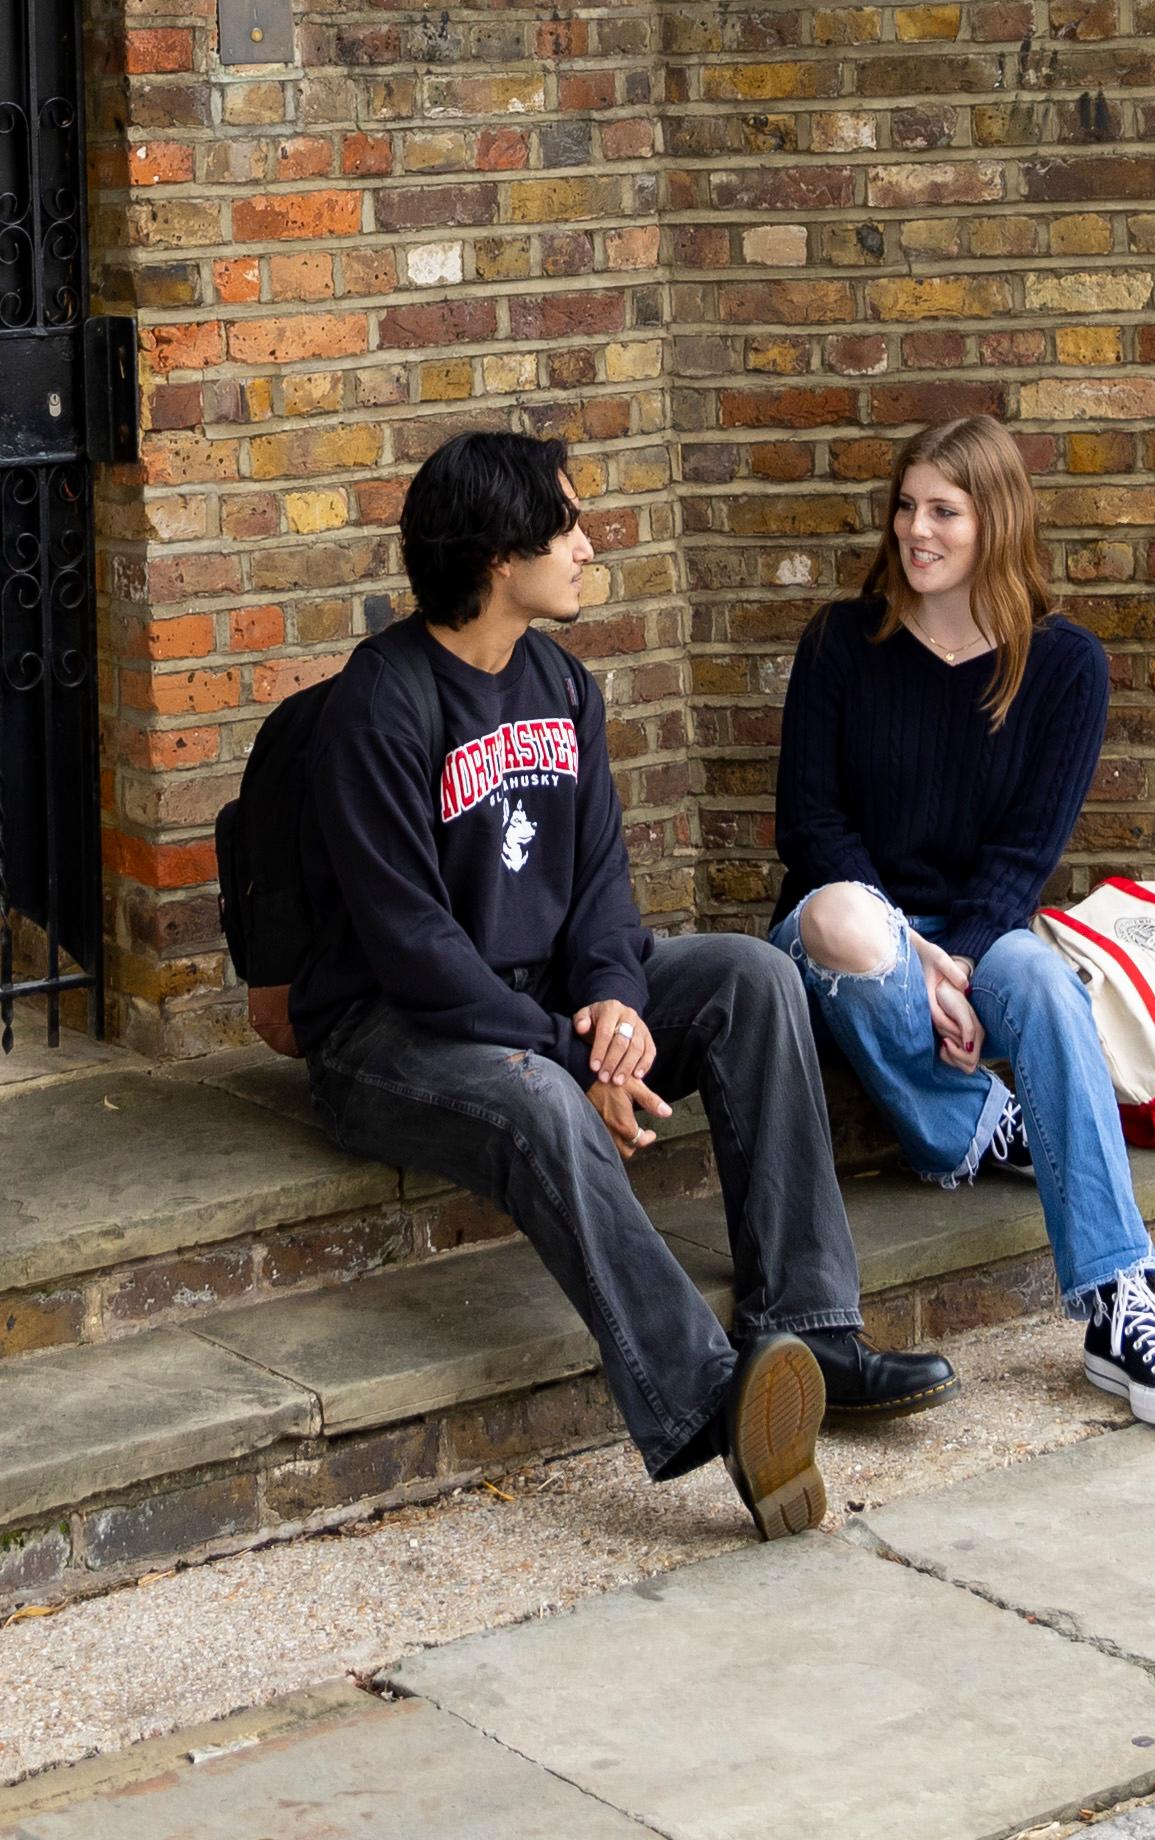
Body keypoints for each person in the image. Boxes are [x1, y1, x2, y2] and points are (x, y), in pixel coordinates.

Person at [286, 428, 954, 1534]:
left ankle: (815, 1335)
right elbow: (413, 949)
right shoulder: (382, 705)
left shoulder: (561, 682)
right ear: (502, 555)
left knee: (748, 976)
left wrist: (616, 1004)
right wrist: (568, 1045)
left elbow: (602, 885)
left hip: (544, 998)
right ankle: (711, 1396)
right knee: (539, 1095)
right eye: (567, 525)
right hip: (388, 1033)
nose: (590, 545)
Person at [773, 411, 1155, 1430]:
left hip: (982, 923)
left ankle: (1120, 1304)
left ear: (997, 522)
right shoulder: (843, 642)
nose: (915, 531)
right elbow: (808, 823)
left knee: (1041, 985)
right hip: (849, 923)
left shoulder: (1065, 666)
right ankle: (980, 1120)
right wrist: (913, 948)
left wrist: (963, 956)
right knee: (848, 923)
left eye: (944, 511)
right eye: (905, 507)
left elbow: (1025, 853)